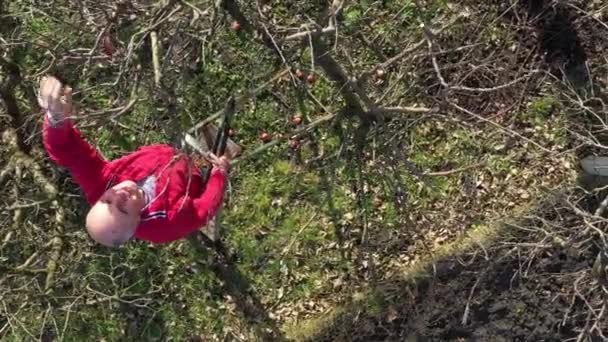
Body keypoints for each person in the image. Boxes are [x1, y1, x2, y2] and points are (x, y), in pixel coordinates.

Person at [39, 75, 231, 247]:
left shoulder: (104, 184)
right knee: (209, 160)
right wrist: (219, 174)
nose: (119, 196)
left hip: (168, 156)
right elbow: (204, 209)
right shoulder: (168, 222)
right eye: (123, 210)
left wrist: (56, 118)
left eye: (107, 200)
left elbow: (68, 153)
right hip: (195, 176)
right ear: (137, 221)